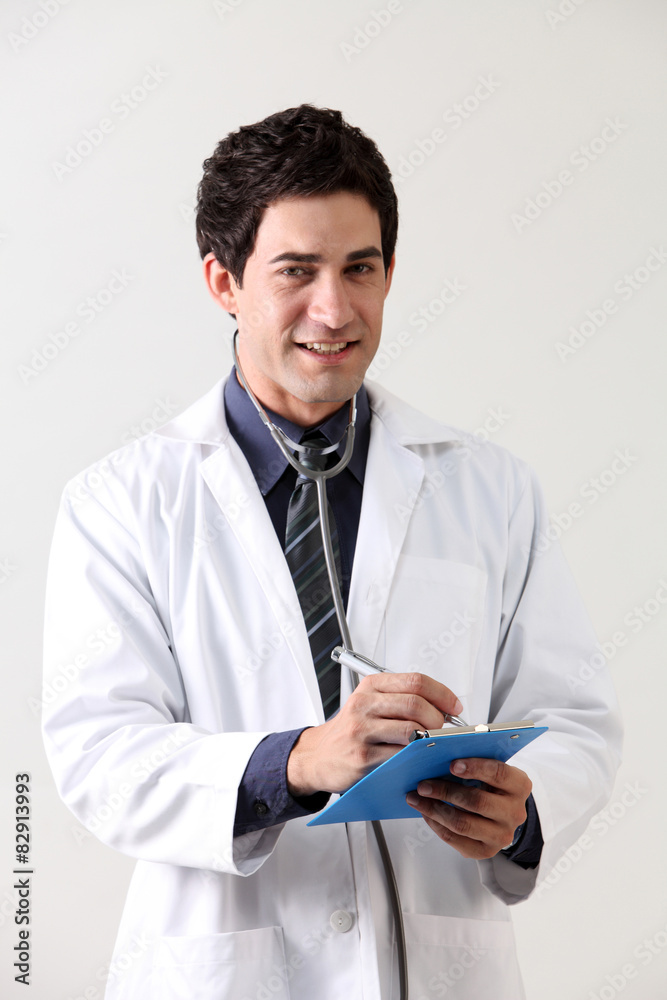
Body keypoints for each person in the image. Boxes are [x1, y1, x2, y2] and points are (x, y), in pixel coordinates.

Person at [43, 104, 621, 1000]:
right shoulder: (121, 502)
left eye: (360, 268)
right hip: (226, 970)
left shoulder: (488, 486)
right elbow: (99, 752)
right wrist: (298, 761)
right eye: (296, 271)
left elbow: (572, 716)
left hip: (437, 967)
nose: (335, 309)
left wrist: (520, 808)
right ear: (223, 281)